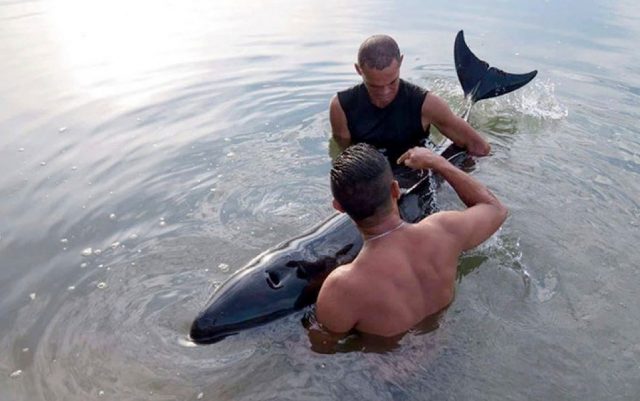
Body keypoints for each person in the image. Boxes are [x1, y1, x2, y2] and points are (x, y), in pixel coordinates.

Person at [315, 143, 507, 337]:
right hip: (450, 343)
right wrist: (438, 163)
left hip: (393, 364)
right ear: (395, 190)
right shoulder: (444, 230)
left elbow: (322, 348)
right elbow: (495, 209)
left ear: (338, 207)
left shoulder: (342, 287)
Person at [329, 34, 491, 171]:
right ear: (359, 70)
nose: (385, 92)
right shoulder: (340, 107)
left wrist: (461, 172)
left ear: (400, 62)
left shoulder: (427, 104)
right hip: (375, 175)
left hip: (415, 170)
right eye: (374, 86)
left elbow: (480, 148)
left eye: (392, 82)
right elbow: (344, 155)